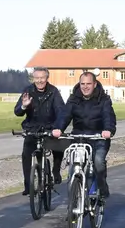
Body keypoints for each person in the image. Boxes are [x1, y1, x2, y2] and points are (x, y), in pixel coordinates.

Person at [51, 70, 116, 200]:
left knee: (98, 162)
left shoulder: (104, 99)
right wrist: (58, 128)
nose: (85, 87)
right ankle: (75, 194)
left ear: (95, 84)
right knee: (74, 164)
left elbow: (108, 116)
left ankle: (102, 187)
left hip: (98, 137)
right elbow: (65, 115)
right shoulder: (73, 99)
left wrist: (108, 130)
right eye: (82, 84)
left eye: (88, 84)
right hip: (79, 137)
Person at [13, 67, 65, 197]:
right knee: (26, 154)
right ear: (33, 78)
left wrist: (58, 128)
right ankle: (28, 185)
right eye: (37, 78)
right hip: (32, 129)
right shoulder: (28, 91)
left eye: (42, 78)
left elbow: (61, 111)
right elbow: (17, 111)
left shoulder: (53, 91)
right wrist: (24, 106)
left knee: (59, 147)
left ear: (47, 78)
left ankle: (56, 170)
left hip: (49, 128)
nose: (40, 81)